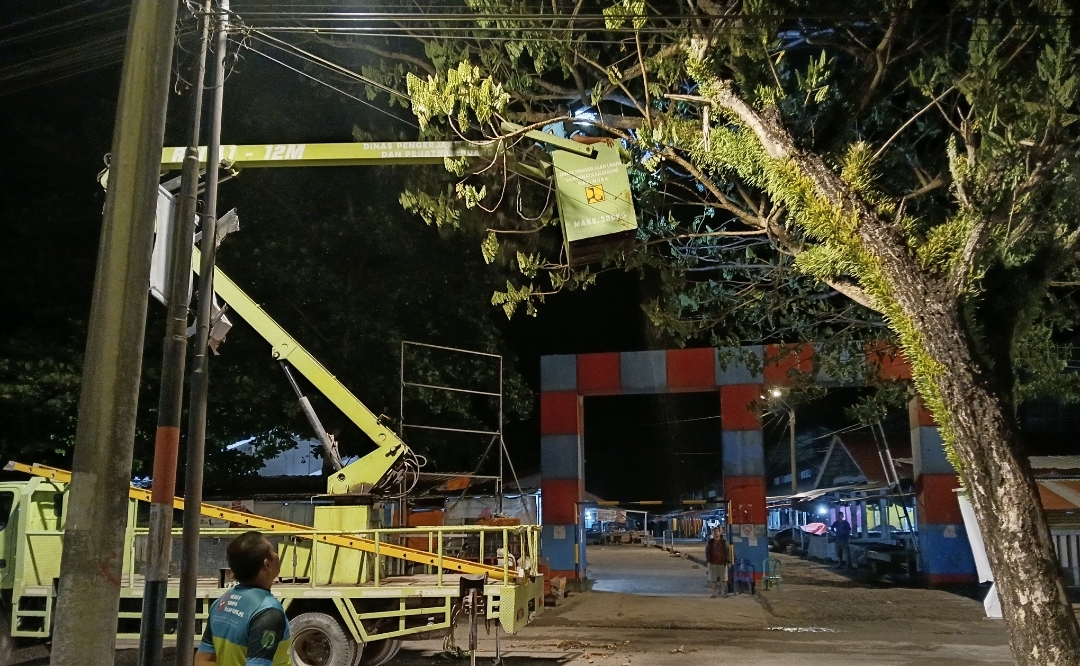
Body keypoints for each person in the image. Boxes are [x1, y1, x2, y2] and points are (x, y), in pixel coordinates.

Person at [196, 531, 291, 666]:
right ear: (267, 564)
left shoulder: (221, 603)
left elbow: (203, 660)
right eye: (274, 551)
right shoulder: (268, 611)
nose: (277, 555)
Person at [705, 527, 729, 598]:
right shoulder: (710, 542)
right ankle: (714, 593)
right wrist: (708, 561)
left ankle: (723, 593)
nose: (716, 533)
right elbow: (707, 552)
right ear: (712, 533)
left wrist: (729, 561)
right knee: (713, 579)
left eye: (717, 531)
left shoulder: (724, 542)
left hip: (722, 563)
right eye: (714, 532)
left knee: (723, 579)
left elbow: (727, 552)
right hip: (713, 563)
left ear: (720, 532)